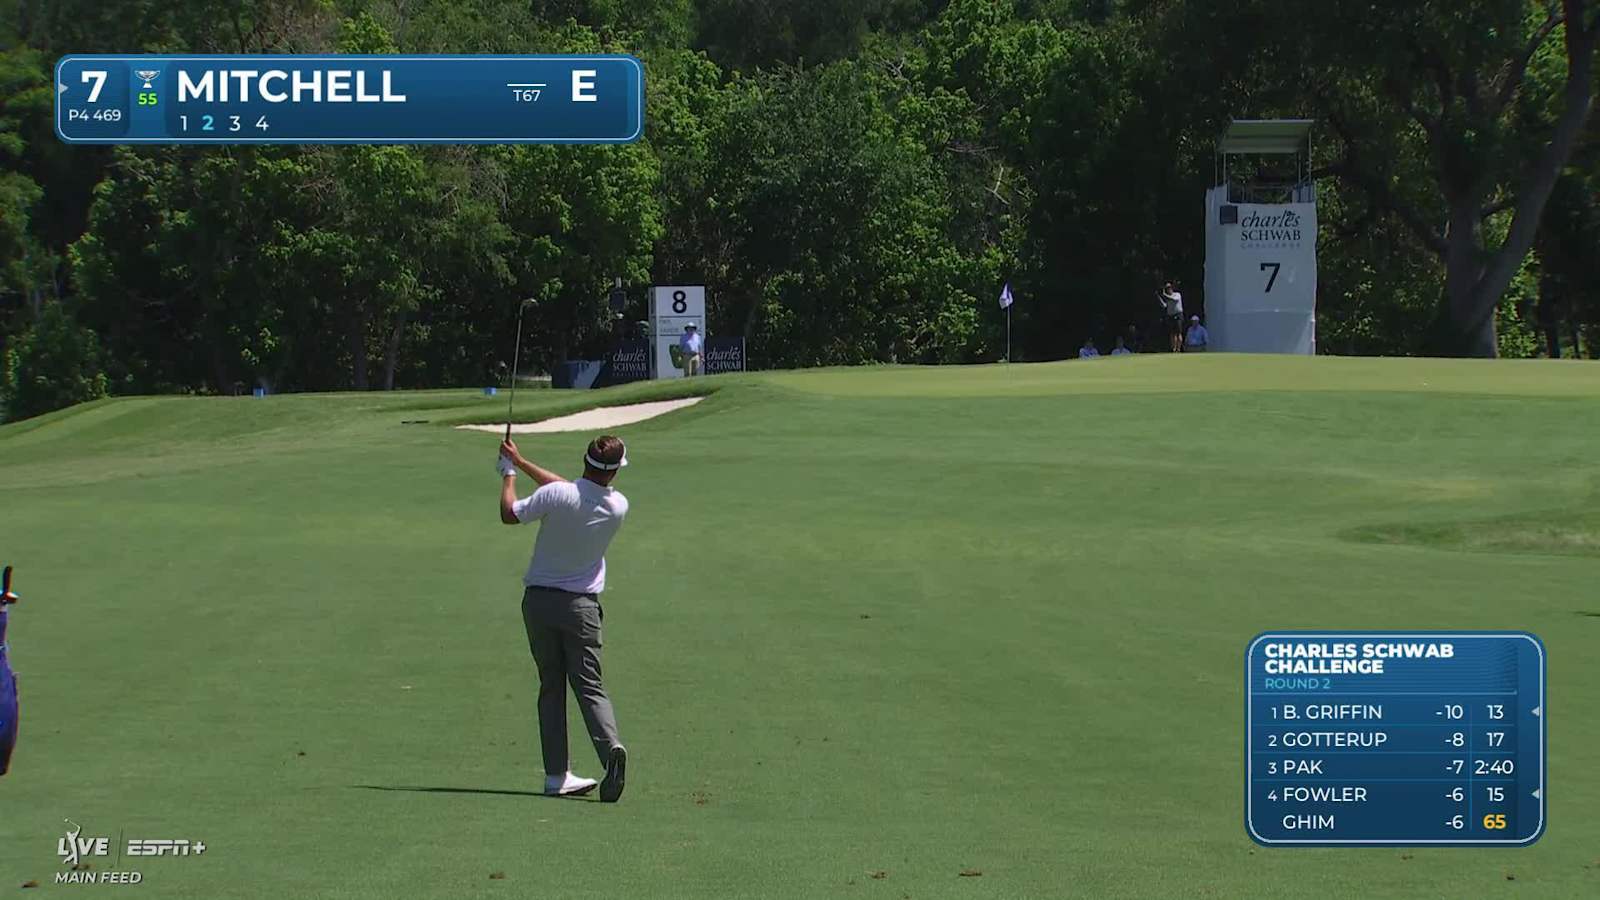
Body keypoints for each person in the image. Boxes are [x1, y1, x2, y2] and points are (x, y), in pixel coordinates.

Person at [497, 435, 631, 802]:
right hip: (582, 609)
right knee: (589, 685)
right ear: (616, 470)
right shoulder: (618, 505)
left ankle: (557, 776)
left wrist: (509, 473)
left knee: (551, 687)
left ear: (584, 460)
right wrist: (522, 462)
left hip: (539, 604)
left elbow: (510, 513)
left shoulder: (558, 497)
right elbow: (572, 491)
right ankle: (611, 750)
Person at [1158, 282, 1184, 352]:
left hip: (1178, 315)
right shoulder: (1167, 298)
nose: (1168, 290)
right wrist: (1159, 297)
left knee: (1178, 333)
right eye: (1167, 289)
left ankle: (1178, 349)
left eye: (1169, 288)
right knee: (1172, 333)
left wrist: (1164, 295)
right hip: (1171, 316)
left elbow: (1173, 299)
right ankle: (1173, 349)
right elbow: (1164, 305)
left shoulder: (1177, 294)